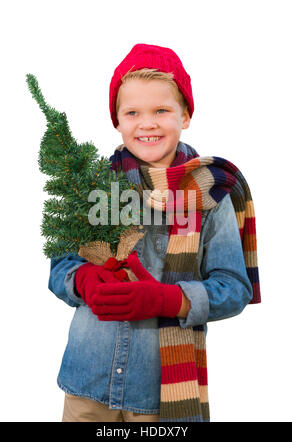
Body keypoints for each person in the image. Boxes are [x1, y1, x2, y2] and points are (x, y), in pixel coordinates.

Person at [48, 44, 258, 422]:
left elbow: (234, 288)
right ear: (117, 120)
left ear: (186, 115)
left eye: (161, 110)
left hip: (161, 396)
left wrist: (166, 300)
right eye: (132, 112)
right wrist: (82, 278)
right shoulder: (94, 185)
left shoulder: (209, 194)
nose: (147, 123)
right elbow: (60, 267)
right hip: (87, 383)